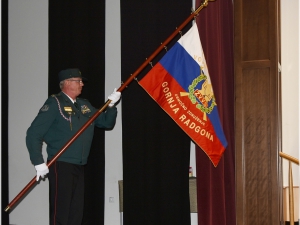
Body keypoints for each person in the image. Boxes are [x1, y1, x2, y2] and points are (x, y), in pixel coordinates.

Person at [26, 68, 121, 225]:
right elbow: (33, 133)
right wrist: (38, 161)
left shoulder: (84, 105)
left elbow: (106, 122)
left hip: (79, 165)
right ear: (67, 83)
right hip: (61, 164)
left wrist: (111, 106)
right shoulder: (54, 103)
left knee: (75, 214)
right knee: (61, 214)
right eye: (79, 81)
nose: (82, 84)